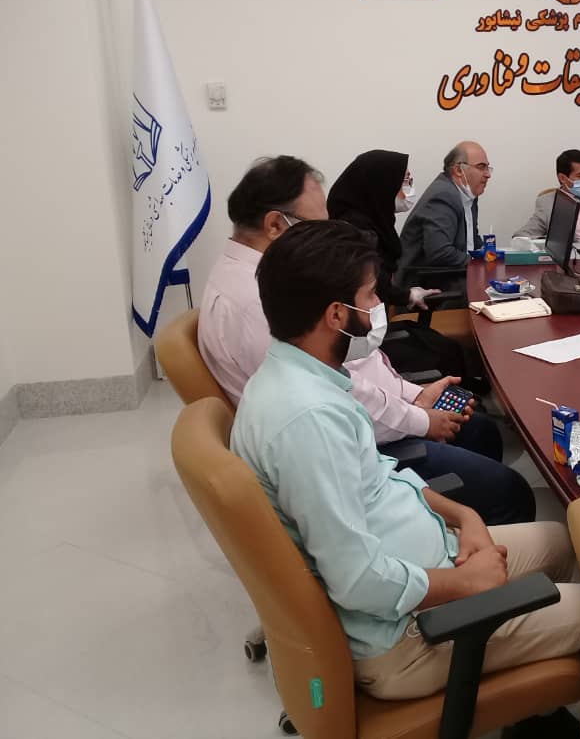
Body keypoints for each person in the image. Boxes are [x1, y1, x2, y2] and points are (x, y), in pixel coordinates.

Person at [232, 220, 580, 739]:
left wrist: (464, 517)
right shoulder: (308, 421)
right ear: (336, 315)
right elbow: (357, 581)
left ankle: (533, 706)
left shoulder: (300, 377)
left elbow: (379, 474)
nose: (378, 306)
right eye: (370, 296)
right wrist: (466, 582)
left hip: (425, 558)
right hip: (405, 638)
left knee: (561, 539)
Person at [198, 156, 534, 525]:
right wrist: (419, 418)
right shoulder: (259, 303)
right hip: (360, 448)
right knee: (510, 491)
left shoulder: (267, 277)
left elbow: (347, 369)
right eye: (317, 226)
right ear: (276, 224)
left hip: (373, 415)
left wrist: (412, 395)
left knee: (480, 430)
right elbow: (337, 394)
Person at [328, 150, 469, 380]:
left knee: (443, 345)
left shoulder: (373, 219)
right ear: (380, 184)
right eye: (404, 181)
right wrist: (406, 295)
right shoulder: (357, 233)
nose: (409, 189)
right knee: (446, 351)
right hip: (364, 346)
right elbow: (375, 287)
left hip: (377, 331)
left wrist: (408, 294)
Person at [396, 141, 492, 284]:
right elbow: (439, 253)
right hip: (427, 284)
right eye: (481, 167)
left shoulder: (468, 195)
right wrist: (477, 262)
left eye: (488, 168)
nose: (488, 174)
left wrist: (488, 253)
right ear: (458, 170)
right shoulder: (443, 195)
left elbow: (470, 240)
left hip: (454, 275)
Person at [513, 149, 580, 241]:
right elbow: (521, 236)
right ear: (563, 178)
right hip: (573, 253)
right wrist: (550, 242)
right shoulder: (547, 203)